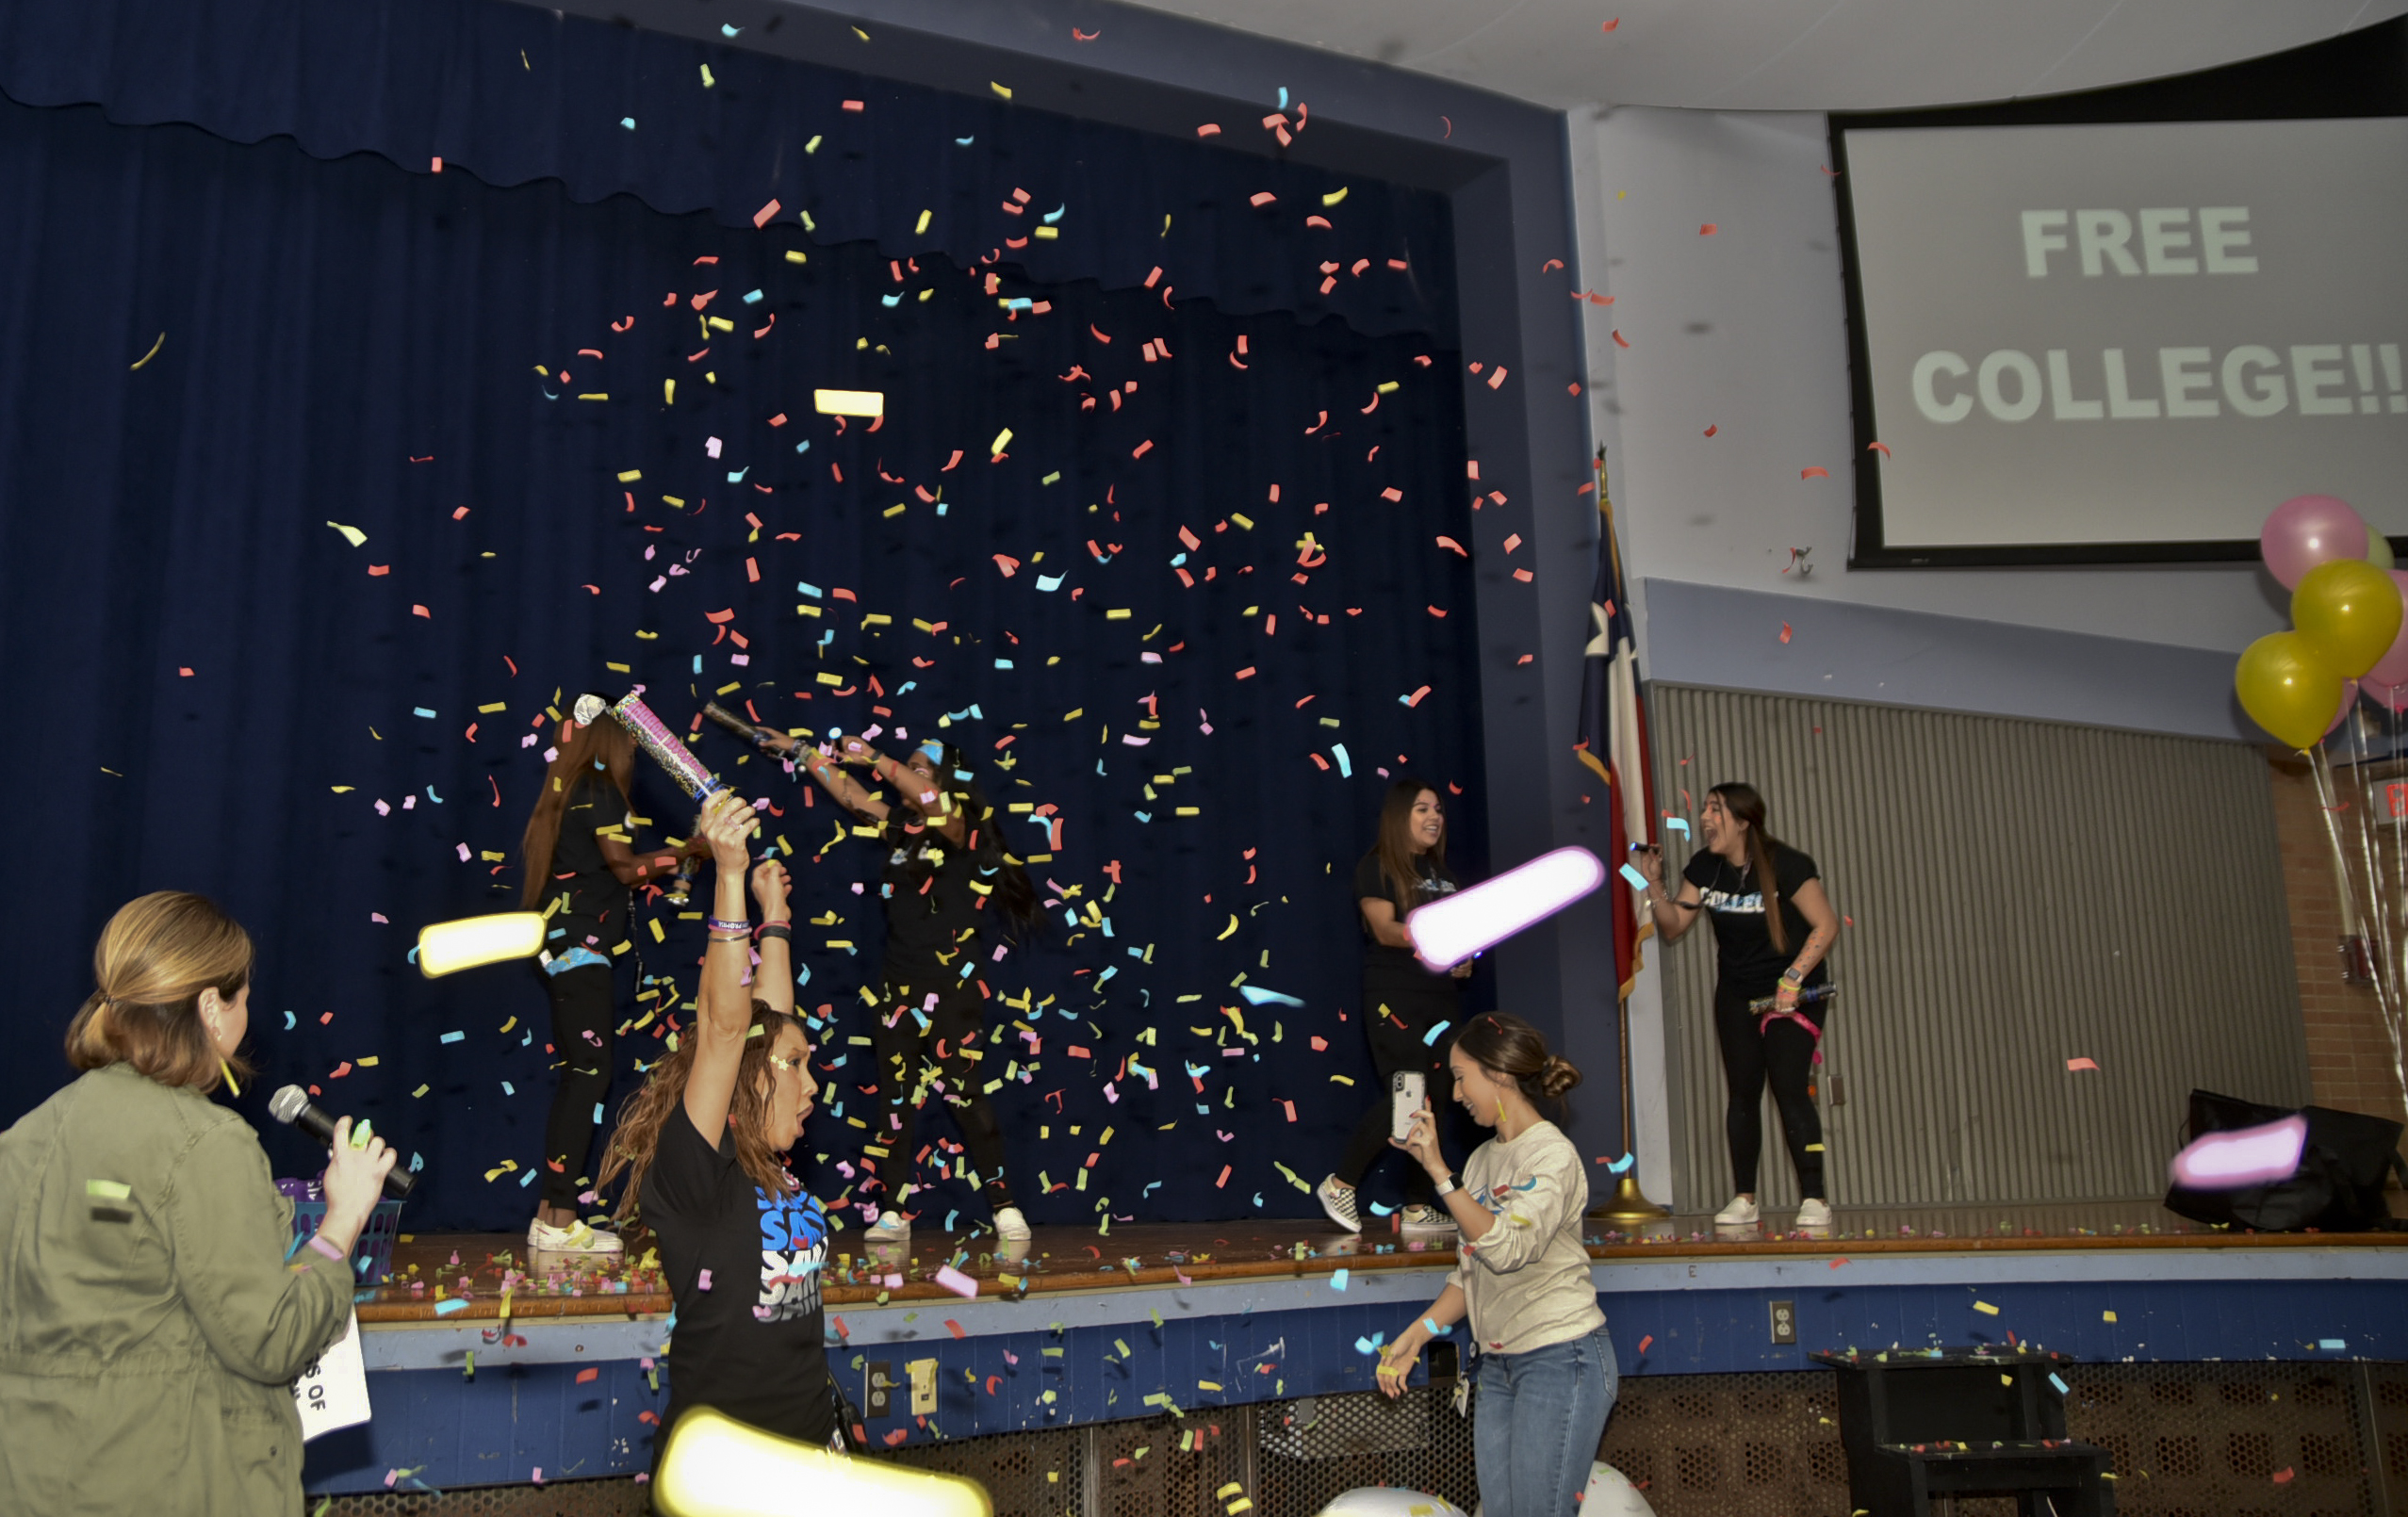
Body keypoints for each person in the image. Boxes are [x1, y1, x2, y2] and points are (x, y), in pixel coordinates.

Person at [0, 891, 398, 1516]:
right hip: (169, 1482)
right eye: (242, 997)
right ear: (212, 1006)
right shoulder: (205, 1144)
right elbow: (274, 1339)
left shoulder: (24, 1138)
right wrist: (344, 1216)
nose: (246, 1014)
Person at [597, 793, 836, 1455]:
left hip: (812, 1462)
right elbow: (729, 1029)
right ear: (749, 1078)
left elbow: (770, 1024)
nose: (811, 1081)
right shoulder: (696, 1172)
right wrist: (728, 876)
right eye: (796, 1067)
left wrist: (776, 915)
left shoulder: (771, 1170)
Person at [780, 732, 1040, 1243]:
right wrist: (800, 752)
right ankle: (893, 1209)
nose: (909, 772)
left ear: (945, 783)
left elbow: (928, 799)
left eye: (923, 768)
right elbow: (853, 796)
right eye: (911, 765)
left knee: (966, 1095)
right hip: (897, 985)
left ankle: (1004, 1204)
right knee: (893, 1102)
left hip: (952, 986)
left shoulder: (958, 827)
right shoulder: (902, 828)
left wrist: (877, 756)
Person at [1374, 1013, 1615, 1517]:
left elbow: (1506, 1248)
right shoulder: (1484, 1159)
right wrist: (1417, 1335)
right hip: (1500, 1365)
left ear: (1499, 1074)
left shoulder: (1553, 1155)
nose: (1456, 1093)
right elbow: (1472, 1271)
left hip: (1560, 1358)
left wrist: (1439, 1171)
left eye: (1462, 1077)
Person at [517, 695, 708, 1254]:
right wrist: (687, 851)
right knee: (589, 1077)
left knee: (583, 1075)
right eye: (627, 741)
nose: (632, 751)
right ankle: (558, 1221)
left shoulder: (571, 792)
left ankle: (553, 1215)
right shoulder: (599, 789)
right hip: (578, 947)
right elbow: (625, 868)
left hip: (562, 947)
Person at [1634, 781, 1841, 1228]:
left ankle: (1815, 1197)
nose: (1706, 818)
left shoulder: (1787, 863)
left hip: (1792, 990)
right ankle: (1745, 1197)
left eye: (1716, 810)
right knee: (1743, 1091)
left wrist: (1793, 978)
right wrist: (1654, 883)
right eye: (1705, 809)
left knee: (1788, 1085)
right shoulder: (1705, 867)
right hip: (1738, 991)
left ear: (1743, 821)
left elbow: (1825, 926)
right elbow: (1673, 927)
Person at [1318, 777, 1473, 1236]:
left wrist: (1461, 961)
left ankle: (1419, 1205)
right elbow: (1386, 929)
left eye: (1439, 810)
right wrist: (1437, 938)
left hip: (1441, 999)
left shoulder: (1445, 875)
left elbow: (1457, 939)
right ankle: (1340, 1182)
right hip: (1394, 997)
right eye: (1423, 809)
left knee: (1437, 1099)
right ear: (1399, 816)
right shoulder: (1377, 865)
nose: (1434, 818)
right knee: (1408, 1094)